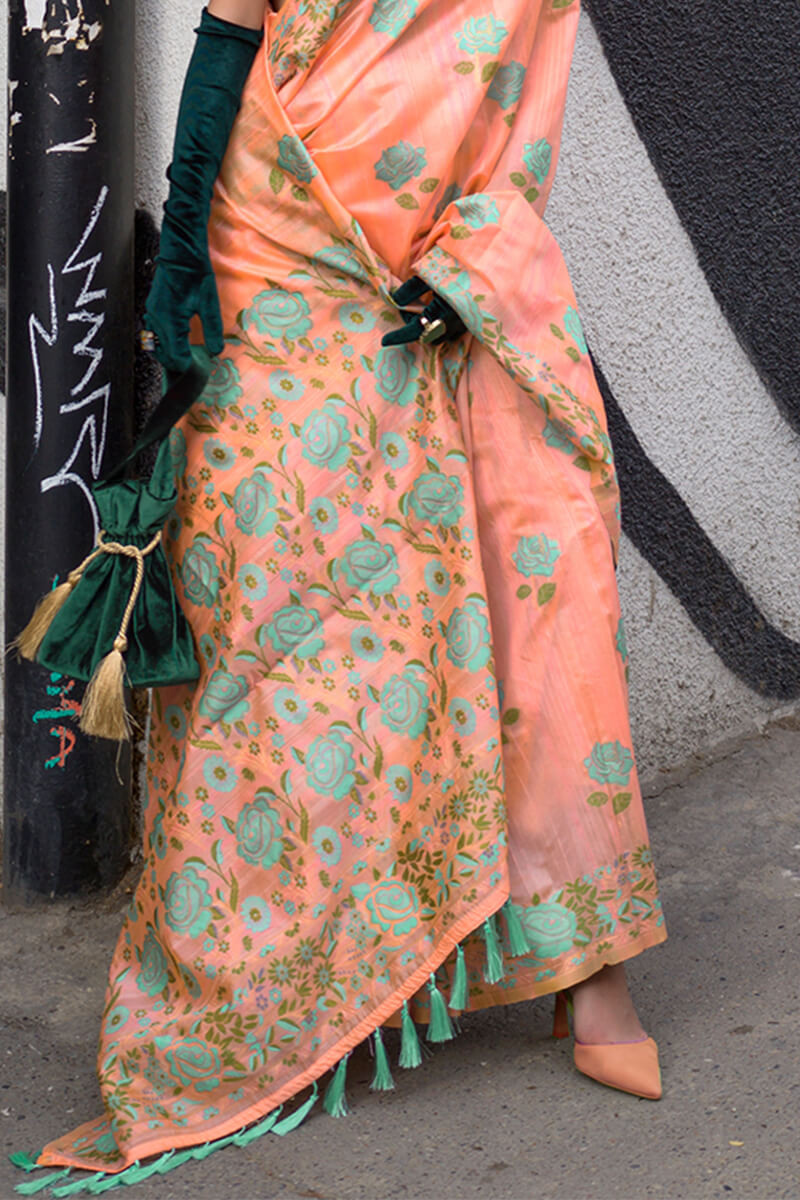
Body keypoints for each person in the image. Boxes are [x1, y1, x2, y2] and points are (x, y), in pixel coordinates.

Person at [18, 0, 667, 1188]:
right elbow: (228, 39)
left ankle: (588, 969)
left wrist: (475, 248)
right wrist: (179, 274)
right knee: (272, 604)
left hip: (440, 242)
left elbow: (504, 69)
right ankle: (259, 976)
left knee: (533, 569)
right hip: (280, 231)